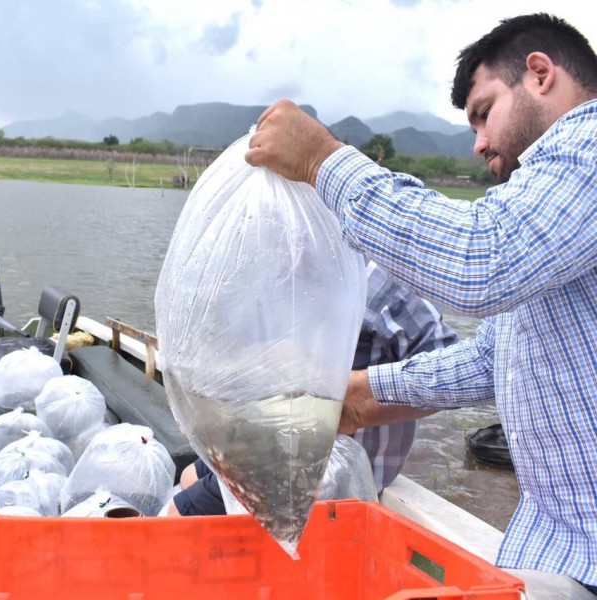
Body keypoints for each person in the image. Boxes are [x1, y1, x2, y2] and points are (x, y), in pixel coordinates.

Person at [244, 12, 597, 594]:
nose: (480, 141)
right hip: (556, 548)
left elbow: (479, 257)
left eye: (484, 111)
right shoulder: (549, 207)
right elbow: (493, 360)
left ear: (539, 75)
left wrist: (322, 161)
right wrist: (358, 397)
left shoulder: (586, 147)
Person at [167, 261, 458, 516]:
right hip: (277, 443)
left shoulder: (381, 278)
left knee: (178, 514)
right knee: (191, 475)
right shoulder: (288, 268)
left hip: (335, 468)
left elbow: (450, 370)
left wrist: (354, 402)